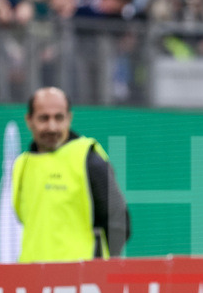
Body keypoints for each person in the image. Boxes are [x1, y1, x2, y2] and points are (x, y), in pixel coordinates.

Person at [12, 87, 131, 262]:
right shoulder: (21, 165)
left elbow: (118, 223)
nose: (52, 127)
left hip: (80, 281)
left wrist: (100, 271)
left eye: (59, 118)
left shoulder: (89, 160)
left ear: (69, 118)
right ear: (29, 120)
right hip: (33, 279)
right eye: (44, 118)